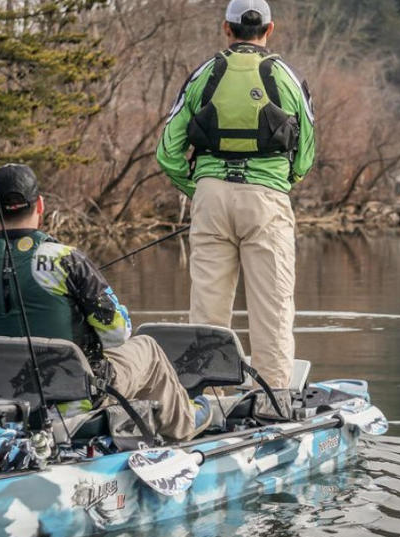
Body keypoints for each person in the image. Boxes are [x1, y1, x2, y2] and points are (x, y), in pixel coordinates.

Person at [0, 164, 211, 442]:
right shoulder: (66, 260)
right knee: (146, 347)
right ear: (40, 205)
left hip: (1, 406)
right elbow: (117, 333)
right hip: (74, 401)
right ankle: (185, 423)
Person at [156, 0, 316, 389]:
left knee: (207, 310)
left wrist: (198, 189)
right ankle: (273, 399)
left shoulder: (203, 75)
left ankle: (206, 396)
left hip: (211, 199)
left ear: (226, 30)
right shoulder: (287, 77)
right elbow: (306, 154)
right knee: (272, 310)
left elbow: (167, 151)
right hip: (267, 200)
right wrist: (278, 183)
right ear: (269, 30)